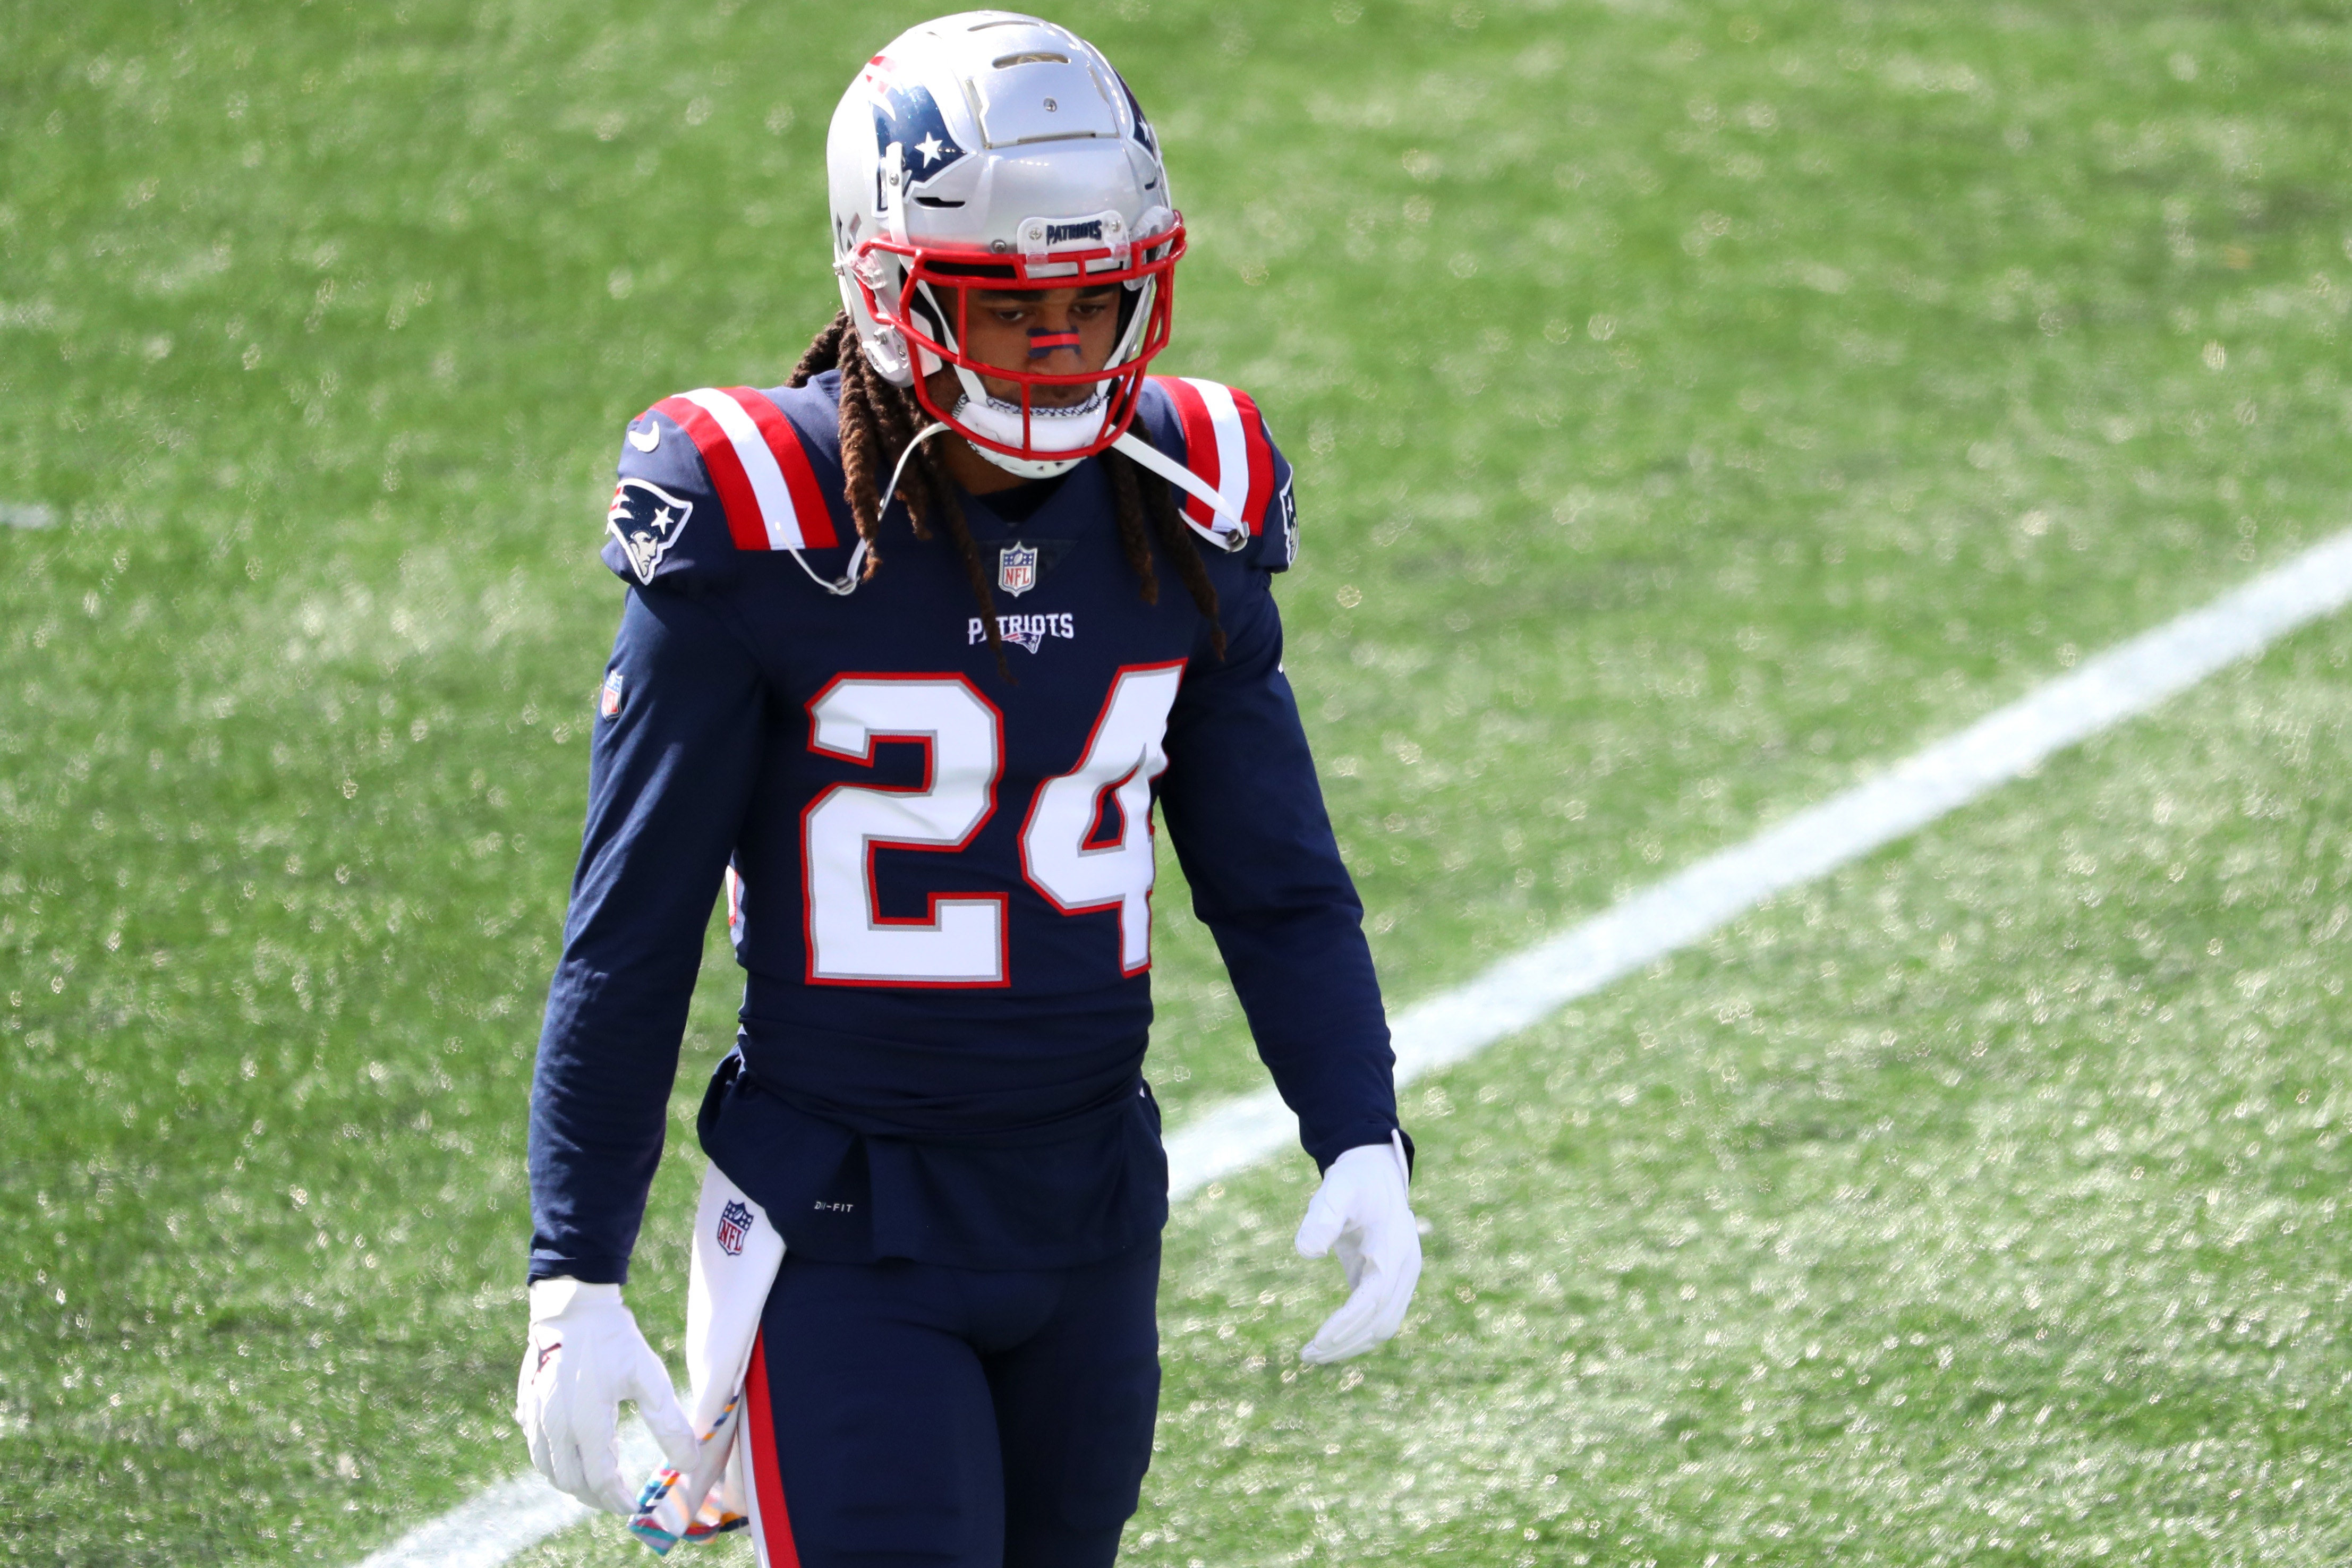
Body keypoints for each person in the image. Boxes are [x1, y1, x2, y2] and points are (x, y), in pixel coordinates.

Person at [513, 13, 1420, 1565]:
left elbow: (1274, 879)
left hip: (1088, 1211)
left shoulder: (1183, 499)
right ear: (888, 286)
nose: (1063, 348)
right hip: (841, 1226)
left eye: (1097, 299)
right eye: (1011, 311)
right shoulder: (763, 517)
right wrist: (571, 1272)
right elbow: (632, 933)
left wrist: (1356, 1126)